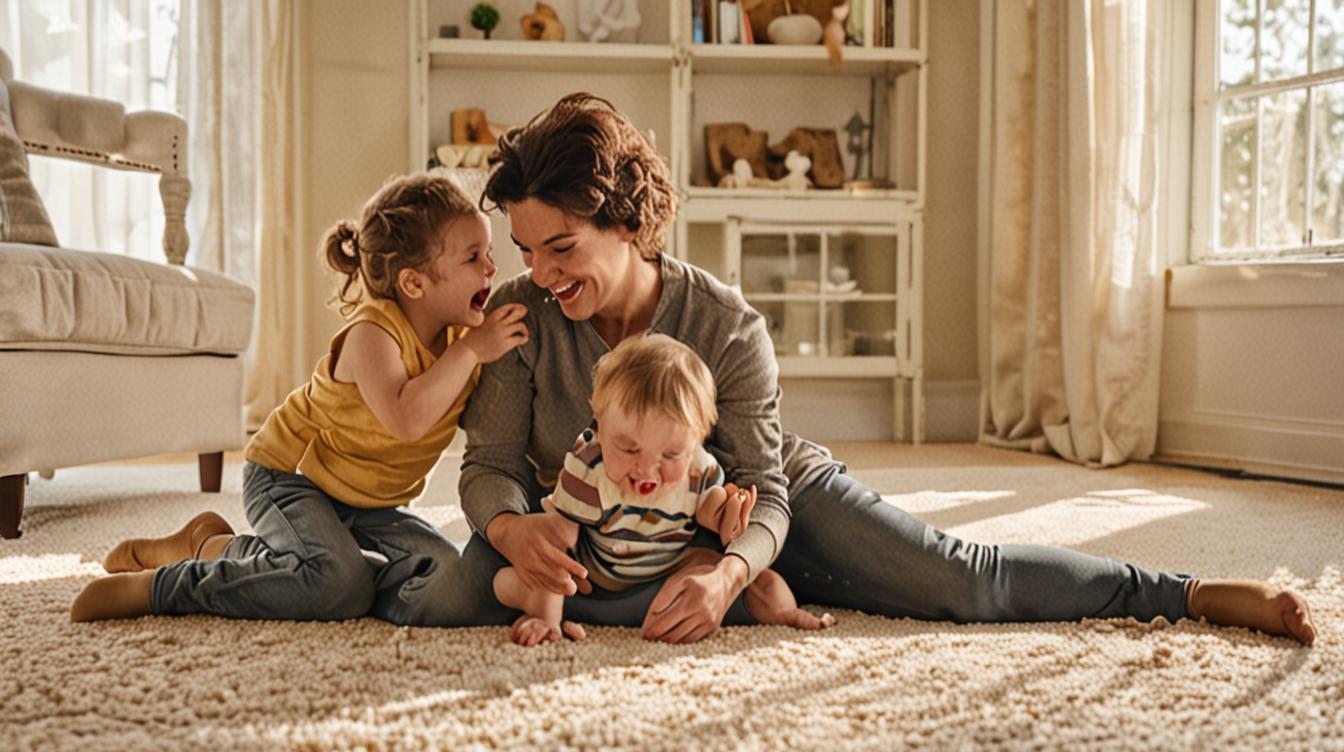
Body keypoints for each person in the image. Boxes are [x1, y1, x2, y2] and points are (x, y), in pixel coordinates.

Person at [456, 92, 1317, 646]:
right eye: (526, 250)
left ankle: (1186, 592)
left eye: (562, 247)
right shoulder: (522, 318)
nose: (541, 272)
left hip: (764, 514)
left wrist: (732, 570)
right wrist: (510, 531)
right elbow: (491, 463)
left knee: (957, 582)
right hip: (623, 533)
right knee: (464, 591)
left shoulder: (724, 322)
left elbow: (766, 486)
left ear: (626, 222)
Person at [70, 173, 529, 624]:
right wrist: (471, 352)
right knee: (338, 585)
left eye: (489, 253)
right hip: (290, 478)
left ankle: (220, 547)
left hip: (372, 503)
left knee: (448, 577)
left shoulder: (464, 339)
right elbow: (406, 419)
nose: (491, 268)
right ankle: (166, 586)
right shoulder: (374, 333)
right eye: (473, 258)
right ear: (414, 283)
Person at [493, 333, 835, 645]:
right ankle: (546, 619)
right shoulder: (588, 468)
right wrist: (549, 595)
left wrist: (730, 518)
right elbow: (561, 538)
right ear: (599, 425)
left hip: (670, 573)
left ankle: (785, 614)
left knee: (760, 580)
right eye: (628, 449)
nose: (646, 470)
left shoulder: (698, 467)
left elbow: (710, 514)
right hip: (593, 580)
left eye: (670, 455)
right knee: (530, 575)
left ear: (696, 439)